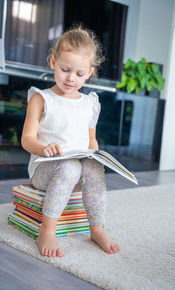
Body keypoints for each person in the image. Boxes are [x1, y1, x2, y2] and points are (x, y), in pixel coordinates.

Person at [21, 26, 120, 258]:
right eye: (65, 69)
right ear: (53, 61)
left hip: (78, 172)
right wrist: (43, 149)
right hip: (46, 170)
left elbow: (91, 140)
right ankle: (47, 231)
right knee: (70, 167)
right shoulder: (41, 98)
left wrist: (96, 156)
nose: (71, 78)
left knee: (93, 166)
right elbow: (26, 139)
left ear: (89, 73)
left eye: (79, 73)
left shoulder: (90, 103)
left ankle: (96, 229)